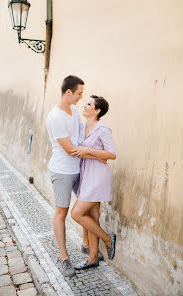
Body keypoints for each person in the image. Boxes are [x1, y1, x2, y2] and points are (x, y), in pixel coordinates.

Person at [46, 76, 105, 277]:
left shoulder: (72, 113)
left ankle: (87, 245)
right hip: (62, 172)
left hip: (80, 170)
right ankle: (64, 259)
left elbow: (82, 136)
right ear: (69, 92)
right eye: (79, 93)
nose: (81, 97)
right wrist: (99, 155)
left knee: (89, 209)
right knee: (61, 213)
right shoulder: (55, 117)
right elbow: (71, 149)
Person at [70, 95, 117, 270]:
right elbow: (80, 151)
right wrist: (88, 153)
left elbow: (111, 154)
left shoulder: (103, 129)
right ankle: (93, 259)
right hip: (85, 175)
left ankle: (107, 239)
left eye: (89, 104)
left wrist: (88, 150)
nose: (85, 105)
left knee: (76, 214)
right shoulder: (81, 127)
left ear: (97, 111)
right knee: (92, 217)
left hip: (97, 178)